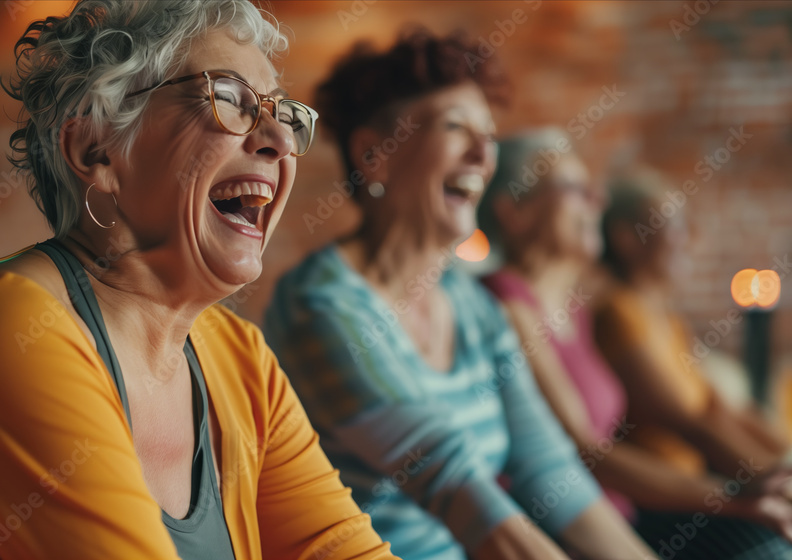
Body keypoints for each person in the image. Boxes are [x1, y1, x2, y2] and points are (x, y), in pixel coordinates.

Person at [0, 2, 397, 559]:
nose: (277, 136)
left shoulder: (240, 360)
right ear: (96, 149)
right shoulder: (7, 325)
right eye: (228, 98)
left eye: (284, 113)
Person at [264, 30, 654, 560]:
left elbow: (549, 471)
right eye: (455, 127)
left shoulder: (474, 305)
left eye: (489, 136)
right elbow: (447, 478)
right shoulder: (320, 304)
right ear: (374, 152)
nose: (482, 156)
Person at [582, 169, 792, 558]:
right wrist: (774, 483)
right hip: (662, 501)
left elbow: (721, 409)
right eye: (671, 223)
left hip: (700, 487)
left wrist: (784, 459)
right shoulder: (617, 313)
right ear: (627, 238)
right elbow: (691, 425)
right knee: (772, 545)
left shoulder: (666, 316)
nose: (687, 237)